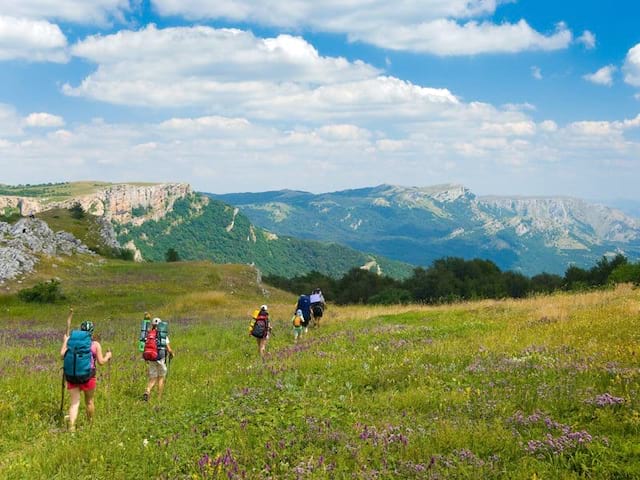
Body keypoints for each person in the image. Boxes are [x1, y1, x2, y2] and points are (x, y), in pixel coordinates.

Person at [60, 319, 112, 432]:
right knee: (89, 401)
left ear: (81, 330)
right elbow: (101, 362)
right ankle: (90, 425)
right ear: (92, 332)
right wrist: (108, 356)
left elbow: (62, 355)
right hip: (88, 377)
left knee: (74, 403)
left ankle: (72, 428)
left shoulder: (71, 341)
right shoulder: (95, 344)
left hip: (72, 376)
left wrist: (65, 341)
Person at [143, 317, 174, 401]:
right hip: (160, 358)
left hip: (150, 358)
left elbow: (144, 347)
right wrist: (172, 353)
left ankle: (147, 390)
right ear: (160, 325)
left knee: (153, 377)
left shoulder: (148, 334)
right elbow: (169, 349)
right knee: (161, 377)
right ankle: (159, 398)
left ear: (152, 325)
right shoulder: (162, 335)